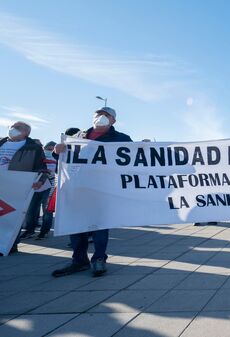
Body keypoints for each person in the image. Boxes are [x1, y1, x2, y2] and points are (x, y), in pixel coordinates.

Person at [51, 106, 132, 277]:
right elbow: (65, 160)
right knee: (76, 225)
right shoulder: (78, 137)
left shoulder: (121, 138)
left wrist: (144, 148)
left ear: (113, 121)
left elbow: (133, 161)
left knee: (100, 226)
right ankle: (79, 260)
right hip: (78, 188)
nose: (101, 117)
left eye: (106, 115)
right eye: (98, 114)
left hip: (103, 189)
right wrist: (57, 151)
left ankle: (99, 259)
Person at [0, 121, 48, 254]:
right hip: (1, 183)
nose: (13, 129)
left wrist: (41, 180)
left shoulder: (33, 147)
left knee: (13, 216)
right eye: (12, 126)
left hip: (18, 186)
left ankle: (11, 244)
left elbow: (42, 167)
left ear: (27, 132)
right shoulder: (1, 143)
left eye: (18, 127)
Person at [20, 141, 57, 240]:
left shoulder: (57, 157)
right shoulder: (36, 155)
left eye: (52, 149)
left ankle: (44, 232)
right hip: (34, 185)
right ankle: (29, 230)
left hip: (50, 186)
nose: (49, 151)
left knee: (47, 210)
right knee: (30, 209)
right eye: (48, 148)